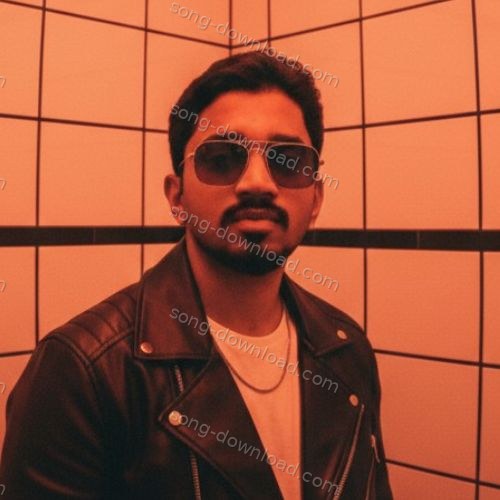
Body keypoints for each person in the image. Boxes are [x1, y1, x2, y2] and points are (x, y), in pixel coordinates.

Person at [0, 51, 393, 499]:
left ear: (316, 198)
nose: (258, 183)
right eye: (222, 158)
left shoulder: (346, 349)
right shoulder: (84, 371)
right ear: (177, 197)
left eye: (287, 161)